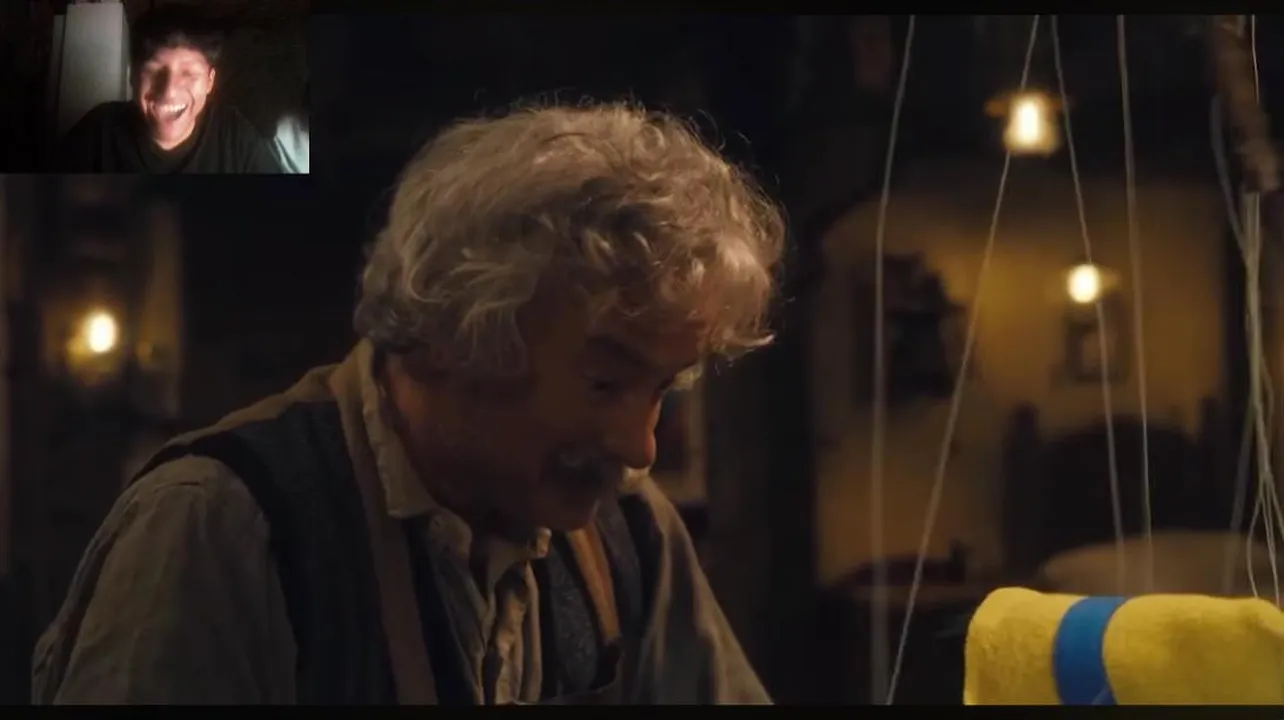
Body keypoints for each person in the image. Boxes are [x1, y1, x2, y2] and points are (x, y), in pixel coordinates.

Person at [32, 103, 784, 705]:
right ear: (457, 336)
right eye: (604, 383)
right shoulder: (222, 529)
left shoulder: (630, 534)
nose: (639, 447)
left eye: (661, 389)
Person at [56, 6, 281, 174]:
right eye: (154, 71)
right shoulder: (98, 131)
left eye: (189, 73)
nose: (169, 90)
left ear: (209, 82)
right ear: (133, 76)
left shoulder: (235, 137)